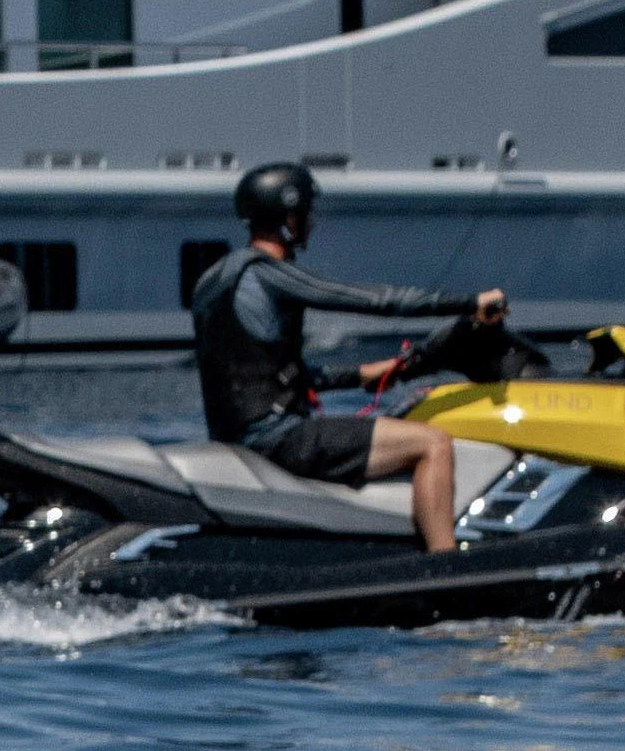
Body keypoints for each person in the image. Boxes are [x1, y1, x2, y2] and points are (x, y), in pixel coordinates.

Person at [191, 161, 510, 554]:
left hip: (241, 437)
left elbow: (265, 373)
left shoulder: (213, 282)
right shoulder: (269, 274)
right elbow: (371, 300)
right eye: (305, 213)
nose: (311, 223)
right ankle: (447, 567)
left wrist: (361, 375)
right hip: (280, 439)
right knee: (434, 443)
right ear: (289, 217)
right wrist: (471, 301)